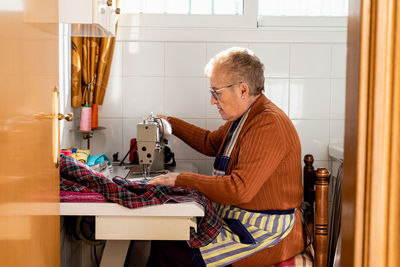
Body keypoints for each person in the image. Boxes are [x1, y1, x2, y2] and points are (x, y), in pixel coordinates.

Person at [148, 47, 304, 267]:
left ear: (242, 89)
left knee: (170, 252)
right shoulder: (244, 118)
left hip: (266, 234)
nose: (212, 101)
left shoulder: (268, 123)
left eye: (216, 92)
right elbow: (209, 142)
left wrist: (180, 179)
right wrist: (169, 122)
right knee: (164, 240)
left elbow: (238, 189)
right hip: (242, 222)